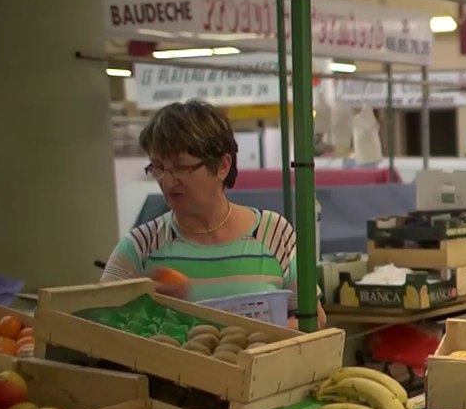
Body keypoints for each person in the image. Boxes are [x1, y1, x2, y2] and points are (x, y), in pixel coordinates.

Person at [102, 100, 325, 328]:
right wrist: (142, 304)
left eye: (181, 167)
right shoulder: (140, 248)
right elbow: (98, 331)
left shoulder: (273, 234)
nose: (167, 182)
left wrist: (255, 336)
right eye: (158, 167)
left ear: (222, 166)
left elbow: (313, 318)